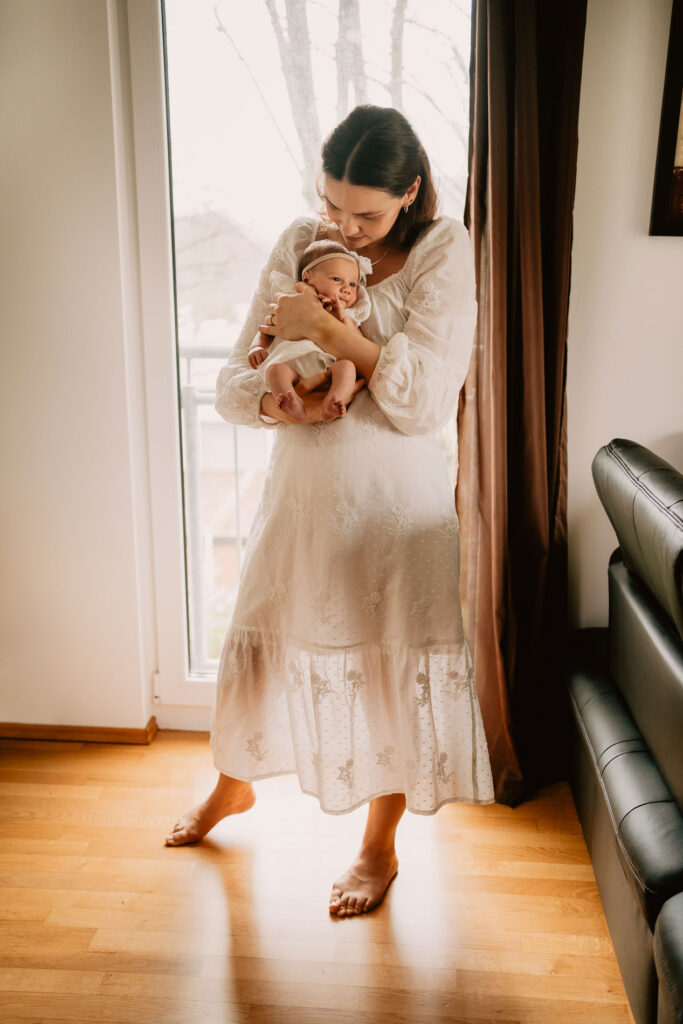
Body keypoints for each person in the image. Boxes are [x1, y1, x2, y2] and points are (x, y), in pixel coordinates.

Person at [165, 105, 495, 918]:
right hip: (304, 491)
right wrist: (285, 406)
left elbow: (422, 399)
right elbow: (238, 384)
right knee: (262, 647)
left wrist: (326, 331)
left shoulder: (440, 248)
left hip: (396, 504)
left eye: (366, 213)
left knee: (388, 670)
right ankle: (230, 789)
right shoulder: (298, 243)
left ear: (410, 191)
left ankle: (377, 848)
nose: (343, 226)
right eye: (331, 205)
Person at [248, 239, 372, 423]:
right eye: (337, 279)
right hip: (294, 367)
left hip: (330, 367)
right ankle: (291, 401)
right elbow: (268, 327)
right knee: (275, 371)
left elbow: (357, 342)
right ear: (307, 278)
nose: (346, 289)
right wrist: (257, 347)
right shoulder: (292, 302)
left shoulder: (348, 315)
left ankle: (335, 399)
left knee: (347, 367)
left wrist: (341, 318)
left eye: (353, 285)